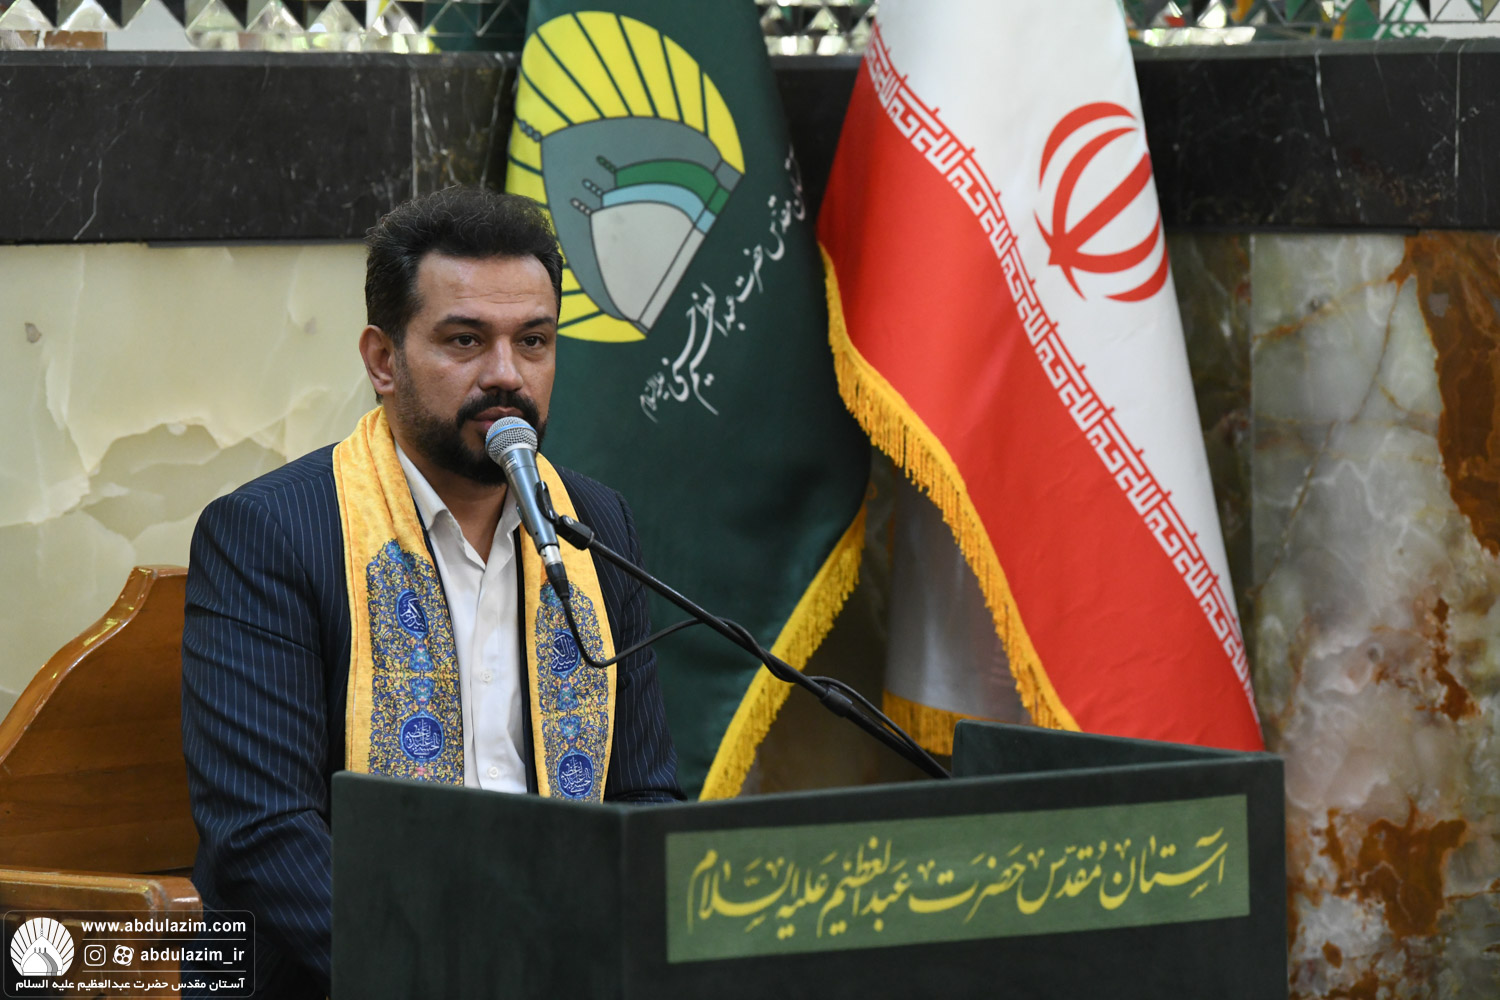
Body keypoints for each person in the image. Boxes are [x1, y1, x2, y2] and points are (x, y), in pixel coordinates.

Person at [180, 187, 682, 999]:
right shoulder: (270, 534)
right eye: (465, 340)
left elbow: (641, 794)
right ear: (383, 361)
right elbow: (262, 835)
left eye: (534, 341)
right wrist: (449, 975)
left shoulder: (592, 529)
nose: (506, 375)